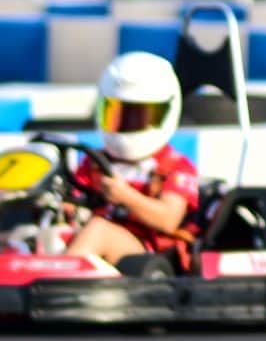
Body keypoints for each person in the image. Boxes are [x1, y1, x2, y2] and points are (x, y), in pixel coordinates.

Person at [65, 51, 201, 261]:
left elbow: (168, 219)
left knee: (100, 231)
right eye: (117, 115)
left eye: (138, 117)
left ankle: (57, 280)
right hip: (91, 243)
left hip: (146, 255)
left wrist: (126, 196)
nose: (126, 125)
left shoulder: (176, 167)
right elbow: (73, 203)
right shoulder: (95, 162)